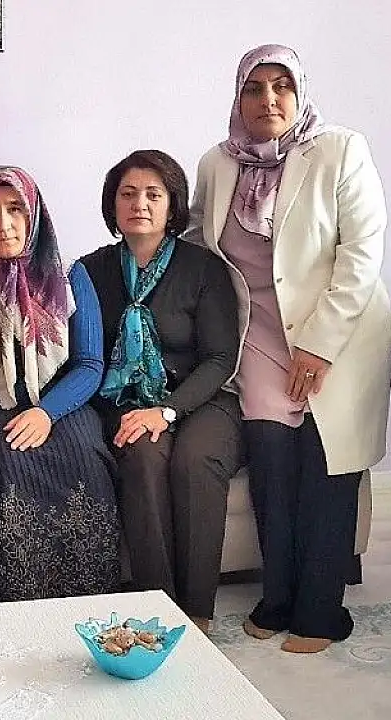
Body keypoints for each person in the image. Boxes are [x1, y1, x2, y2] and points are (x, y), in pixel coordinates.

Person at [188, 44, 391, 653]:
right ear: (238, 98)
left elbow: (361, 253)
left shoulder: (340, 150)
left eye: (282, 86)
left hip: (341, 332)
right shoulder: (217, 163)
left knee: (326, 469)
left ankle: (321, 610)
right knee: (273, 469)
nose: (269, 99)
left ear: (300, 94)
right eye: (254, 88)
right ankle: (276, 596)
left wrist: (321, 346)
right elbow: (196, 236)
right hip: (259, 338)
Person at [79, 150, 243, 632]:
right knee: (143, 456)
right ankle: (160, 609)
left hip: (202, 398)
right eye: (128, 194)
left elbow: (220, 358)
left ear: (173, 205)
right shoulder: (90, 271)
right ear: (112, 205)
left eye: (154, 194)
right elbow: (84, 356)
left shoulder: (203, 268)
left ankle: (198, 610)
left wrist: (167, 410)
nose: (140, 204)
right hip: (128, 403)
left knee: (195, 460)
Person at [0, 165, 120, 602]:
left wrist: (45, 413)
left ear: (34, 214)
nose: (3, 223)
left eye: (15, 209)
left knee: (85, 460)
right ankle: (18, 604)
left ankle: (89, 600)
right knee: (6, 466)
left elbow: (89, 365)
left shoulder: (70, 276)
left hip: (62, 402)